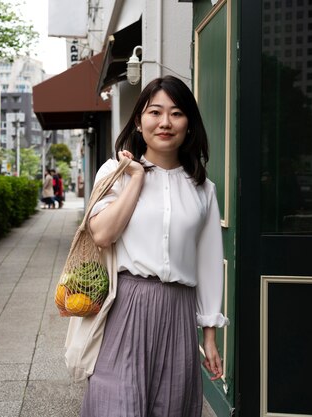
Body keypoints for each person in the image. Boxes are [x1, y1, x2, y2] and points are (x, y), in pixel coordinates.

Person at [81, 75, 229, 417]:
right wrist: (135, 177)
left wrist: (209, 335)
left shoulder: (203, 189)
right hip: (127, 305)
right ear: (139, 120)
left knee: (171, 406)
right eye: (155, 112)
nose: (165, 122)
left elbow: (208, 264)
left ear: (189, 124)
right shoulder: (114, 172)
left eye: (176, 113)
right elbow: (101, 233)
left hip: (179, 310)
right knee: (117, 405)